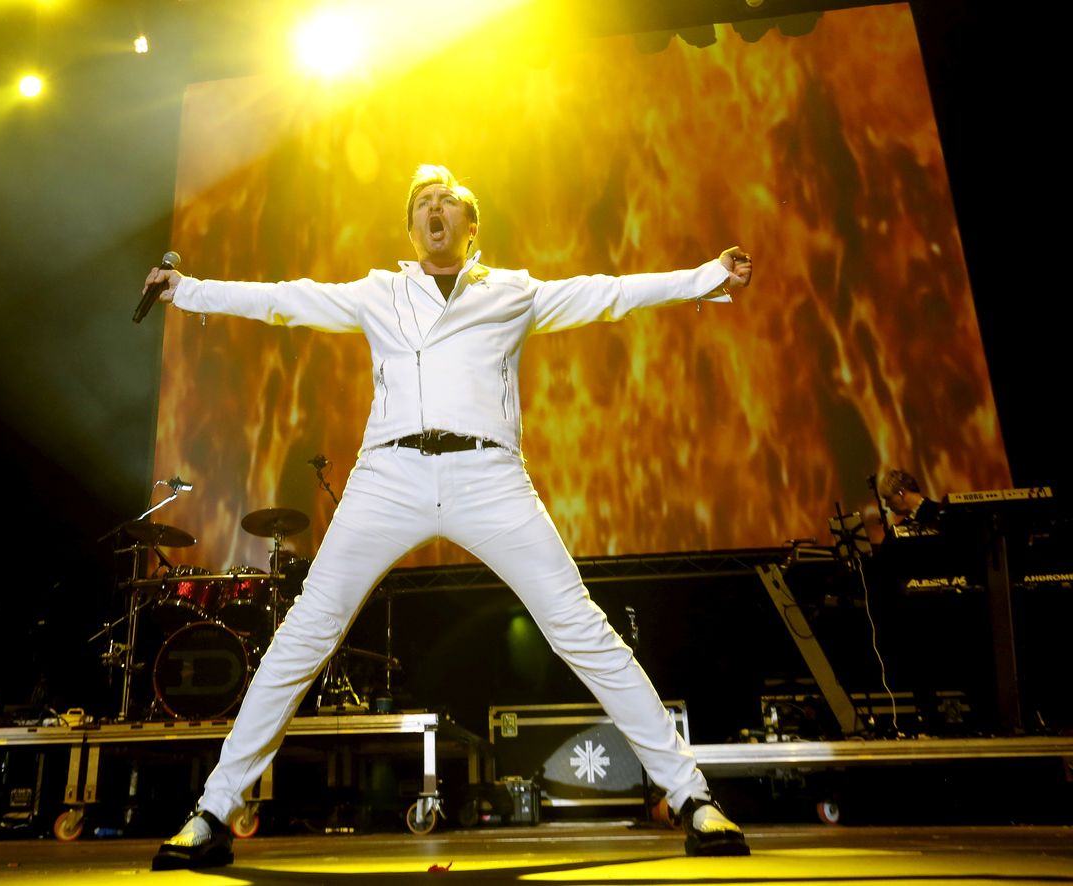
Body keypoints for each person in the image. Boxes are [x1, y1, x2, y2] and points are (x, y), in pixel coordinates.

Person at [144, 165, 753, 868]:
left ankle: (693, 798)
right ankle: (213, 811)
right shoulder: (380, 292)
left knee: (582, 629)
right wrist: (185, 290)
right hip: (388, 475)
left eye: (447, 202)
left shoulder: (512, 291)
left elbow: (608, 294)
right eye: (422, 204)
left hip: (489, 476)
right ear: (412, 229)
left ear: (471, 226)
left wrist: (707, 274)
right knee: (305, 633)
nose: (434, 209)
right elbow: (286, 301)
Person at [877, 468, 942, 529]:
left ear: (901, 492)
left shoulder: (941, 513)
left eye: (888, 498)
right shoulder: (901, 528)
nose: (886, 505)